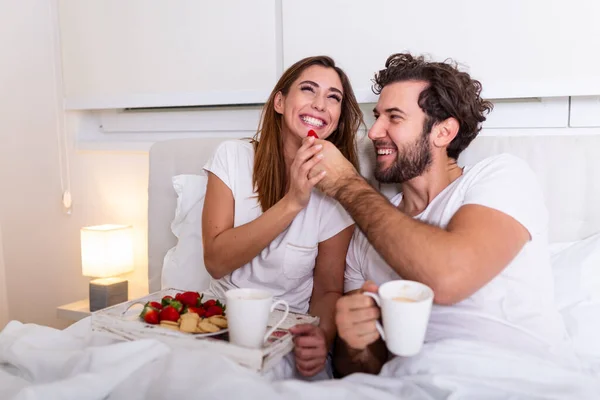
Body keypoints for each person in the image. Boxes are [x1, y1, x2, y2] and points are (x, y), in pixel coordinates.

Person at [304, 53, 576, 376]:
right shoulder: (364, 235)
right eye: (377, 116)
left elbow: (449, 276)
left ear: (443, 132)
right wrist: (355, 341)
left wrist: (348, 185)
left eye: (394, 117)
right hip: (409, 385)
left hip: (516, 380)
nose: (374, 131)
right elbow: (356, 372)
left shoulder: (500, 178)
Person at [201, 56, 363, 379]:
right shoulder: (232, 158)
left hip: (285, 340)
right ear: (279, 101)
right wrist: (293, 202)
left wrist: (322, 336)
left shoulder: (341, 190)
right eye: (308, 90)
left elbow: (329, 290)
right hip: (219, 330)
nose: (320, 105)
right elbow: (216, 260)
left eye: (333, 97)